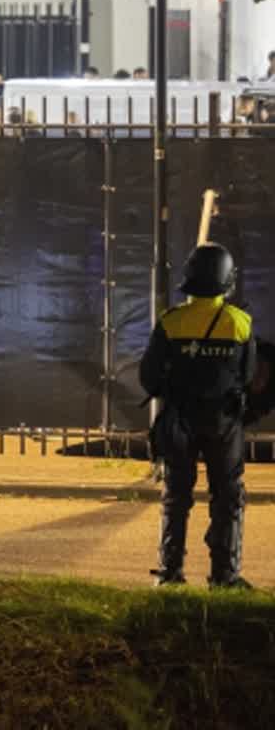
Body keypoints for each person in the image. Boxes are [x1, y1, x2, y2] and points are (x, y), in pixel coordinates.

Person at [139, 244, 260, 589]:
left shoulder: (171, 321)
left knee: (176, 496)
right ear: (227, 279)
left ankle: (170, 572)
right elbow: (248, 376)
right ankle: (225, 576)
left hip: (180, 420)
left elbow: (148, 377)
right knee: (228, 497)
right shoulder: (239, 323)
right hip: (223, 423)